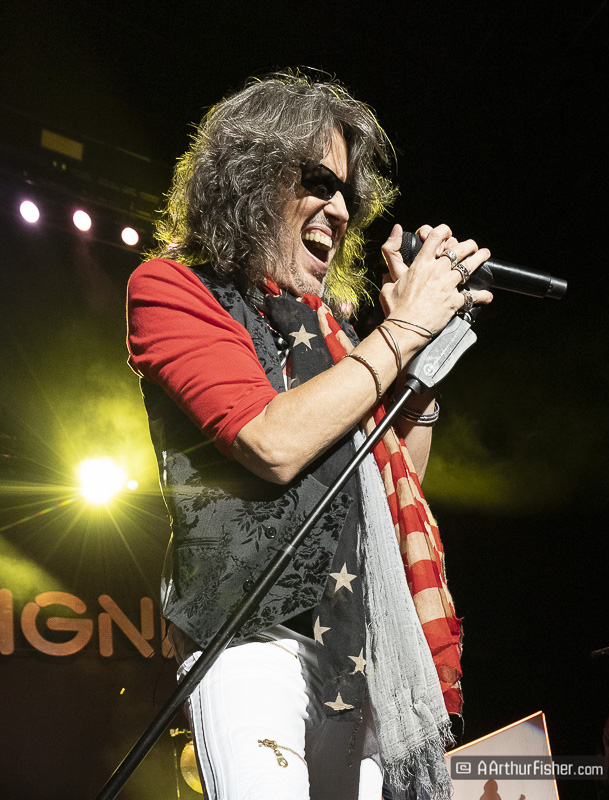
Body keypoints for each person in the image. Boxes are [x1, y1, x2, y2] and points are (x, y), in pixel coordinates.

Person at [126, 71, 493, 800]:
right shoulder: (174, 289)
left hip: (359, 645)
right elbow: (270, 443)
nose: (340, 209)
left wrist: (416, 364)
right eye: (319, 183)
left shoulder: (342, 339)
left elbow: (395, 483)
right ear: (250, 181)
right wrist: (402, 329)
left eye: (348, 195)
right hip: (252, 634)